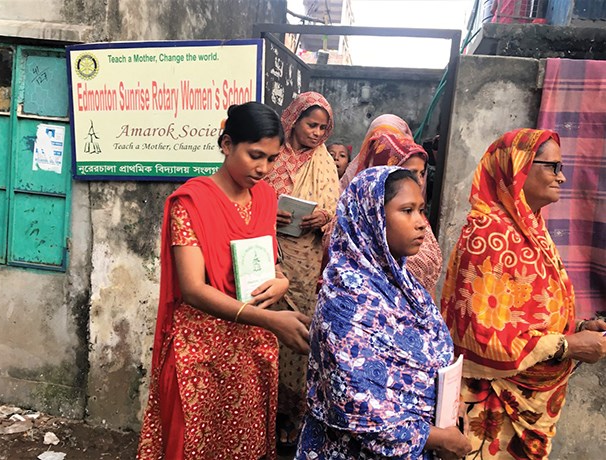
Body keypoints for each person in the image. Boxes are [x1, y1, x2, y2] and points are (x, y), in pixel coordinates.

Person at [137, 102, 311, 460]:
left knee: (243, 445)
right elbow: (193, 289)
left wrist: (283, 281)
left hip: (251, 350)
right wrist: (269, 319)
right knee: (195, 443)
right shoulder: (192, 202)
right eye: (255, 155)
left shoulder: (265, 196)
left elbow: (269, 261)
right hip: (201, 350)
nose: (263, 169)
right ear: (227, 144)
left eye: (272, 159)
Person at [441, 128, 606, 459]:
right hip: (493, 402)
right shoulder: (488, 233)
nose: (561, 178)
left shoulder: (531, 226)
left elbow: (530, 310)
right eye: (552, 167)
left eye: (561, 168)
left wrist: (578, 330)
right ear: (518, 168)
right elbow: (483, 334)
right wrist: (566, 345)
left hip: (531, 393)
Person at [296, 166, 471, 460]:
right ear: (371, 216)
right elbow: (355, 400)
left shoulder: (402, 284)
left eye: (421, 210)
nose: (421, 224)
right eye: (406, 211)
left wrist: (450, 404)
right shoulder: (344, 300)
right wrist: (439, 439)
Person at [263, 91, 339, 448]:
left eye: (323, 127)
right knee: (263, 328)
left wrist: (322, 216)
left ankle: (290, 418)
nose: (317, 133)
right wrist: (267, 212)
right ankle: (260, 412)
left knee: (297, 337)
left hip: (305, 263)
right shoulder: (271, 154)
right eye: (311, 124)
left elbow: (334, 209)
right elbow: (248, 195)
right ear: (293, 120)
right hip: (264, 254)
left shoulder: (324, 162)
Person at [339, 120, 443, 297]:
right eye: (410, 172)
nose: (418, 181)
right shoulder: (357, 232)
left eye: (422, 173)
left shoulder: (419, 219)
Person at [340, 113, 413, 190]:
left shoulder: (415, 167)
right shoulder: (353, 174)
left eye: (390, 142)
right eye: (377, 141)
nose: (383, 146)